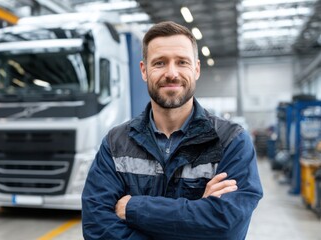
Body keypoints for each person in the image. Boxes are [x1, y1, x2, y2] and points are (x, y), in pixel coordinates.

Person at [81, 21, 263, 240]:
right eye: (159, 63)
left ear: (196, 69)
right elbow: (97, 227)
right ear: (144, 70)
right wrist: (200, 213)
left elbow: (226, 228)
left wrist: (134, 208)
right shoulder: (116, 143)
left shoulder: (230, 141)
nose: (172, 73)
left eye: (182, 62)